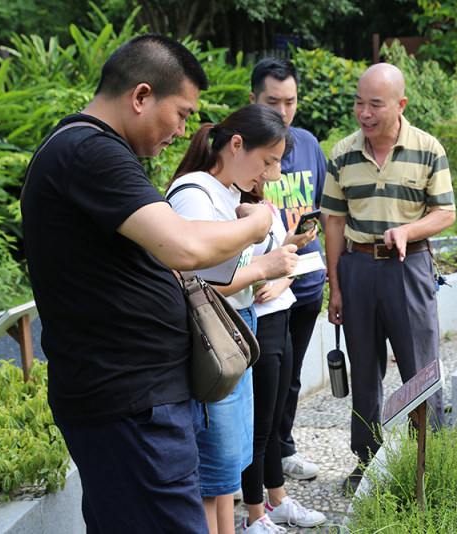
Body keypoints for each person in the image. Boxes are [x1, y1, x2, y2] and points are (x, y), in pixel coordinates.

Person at [20, 34, 274, 533]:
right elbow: (184, 246)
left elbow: (173, 247)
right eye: (182, 113)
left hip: (128, 403)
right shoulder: (90, 151)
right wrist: (257, 223)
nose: (185, 131)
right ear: (140, 96)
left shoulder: (87, 151)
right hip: (130, 407)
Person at [166, 104, 304, 534]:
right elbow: (194, 283)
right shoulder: (195, 193)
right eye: (268, 161)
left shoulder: (229, 194)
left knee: (230, 464)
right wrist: (264, 268)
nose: (274, 175)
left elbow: (241, 262)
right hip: (213, 336)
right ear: (236, 144)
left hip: (236, 329)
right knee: (215, 467)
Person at [321, 62, 456, 493]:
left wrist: (408, 230)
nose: (364, 112)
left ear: (400, 105)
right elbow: (334, 223)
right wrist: (336, 287)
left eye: (375, 104)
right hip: (357, 267)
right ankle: (367, 462)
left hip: (409, 267)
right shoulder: (342, 152)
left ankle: (427, 464)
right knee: (364, 370)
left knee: (420, 368)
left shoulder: (427, 148)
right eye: (359, 102)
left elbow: (446, 212)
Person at [238, 151, 327, 532]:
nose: (273, 174)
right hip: (260, 320)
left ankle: (277, 500)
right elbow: (239, 265)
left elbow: (281, 258)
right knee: (259, 424)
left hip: (282, 313)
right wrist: (265, 278)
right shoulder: (233, 207)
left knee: (273, 420)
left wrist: (291, 248)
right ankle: (255, 514)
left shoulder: (264, 206)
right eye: (269, 164)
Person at [249, 57, 328, 481]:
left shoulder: (310, 145)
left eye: (290, 101)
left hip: (307, 282)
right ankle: (257, 469)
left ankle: (283, 451)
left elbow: (325, 215)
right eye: (272, 101)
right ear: (254, 99)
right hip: (264, 290)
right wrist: (275, 275)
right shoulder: (245, 152)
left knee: (291, 378)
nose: (282, 111)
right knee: (264, 384)